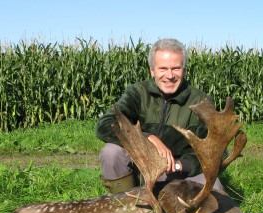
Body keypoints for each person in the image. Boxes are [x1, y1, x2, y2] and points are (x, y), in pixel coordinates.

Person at [96, 38, 224, 194]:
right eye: (163, 68)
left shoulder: (201, 102)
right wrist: (146, 137)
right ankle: (125, 208)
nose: (169, 76)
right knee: (111, 152)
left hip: (178, 175)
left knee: (215, 189)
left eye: (176, 68)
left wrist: (181, 165)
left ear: (184, 69)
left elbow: (218, 151)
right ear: (152, 70)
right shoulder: (137, 93)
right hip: (140, 170)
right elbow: (105, 125)